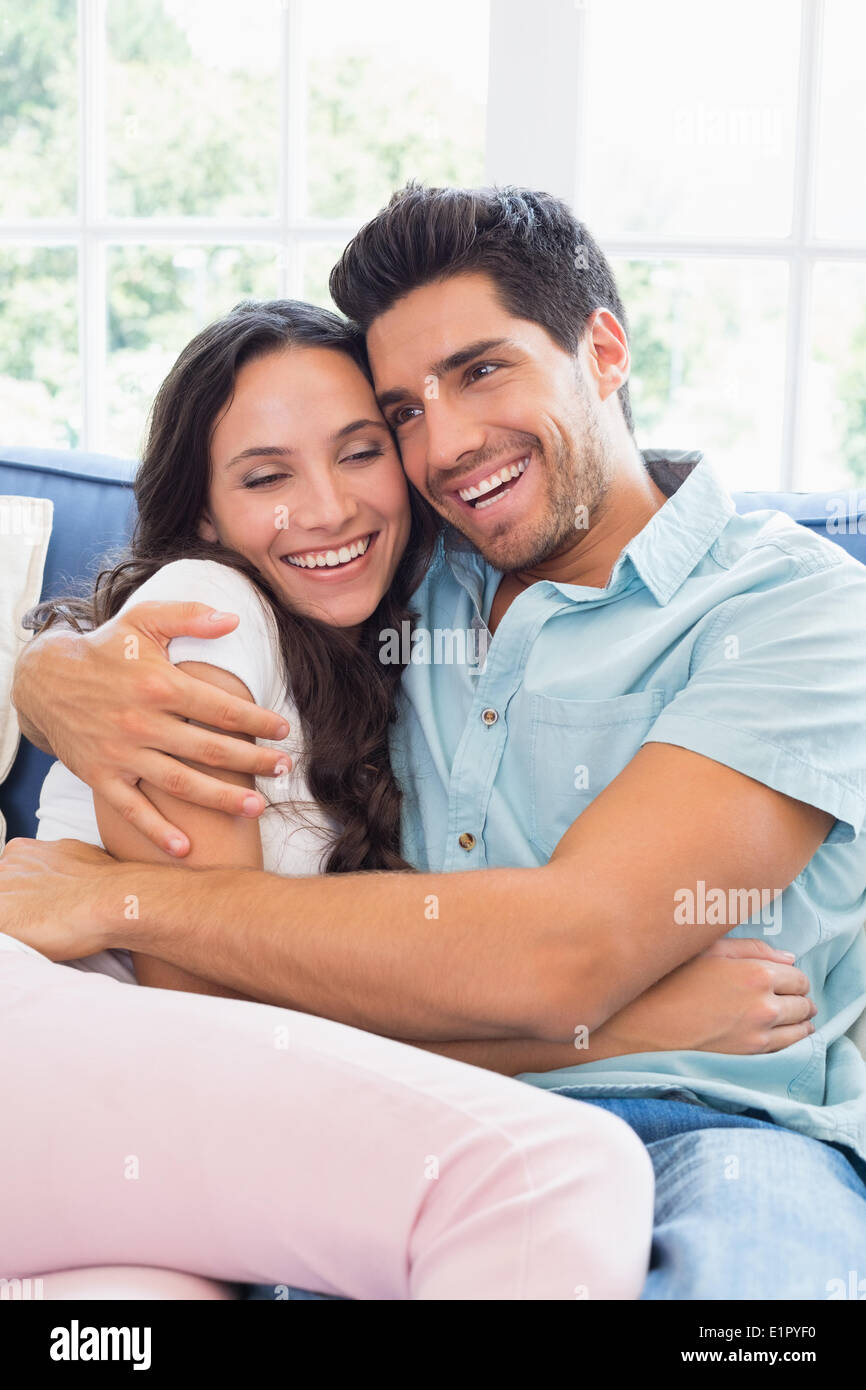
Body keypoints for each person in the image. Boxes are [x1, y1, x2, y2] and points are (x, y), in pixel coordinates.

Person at [6, 185, 866, 1300]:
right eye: (403, 410)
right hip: (409, 1118)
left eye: (482, 370)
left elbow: (564, 951)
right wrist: (46, 673)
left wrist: (119, 895)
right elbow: (219, 1006)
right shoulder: (401, 571)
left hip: (724, 1119)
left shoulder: (791, 611)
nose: (445, 445)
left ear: (601, 348)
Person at [1, 298, 659, 1301]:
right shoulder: (204, 612)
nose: (328, 508)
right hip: (59, 1045)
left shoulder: (397, 638)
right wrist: (614, 1033)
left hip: (94, 1141)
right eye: (266, 476)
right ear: (205, 513)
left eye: (359, 453)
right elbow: (204, 1003)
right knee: (554, 1176)